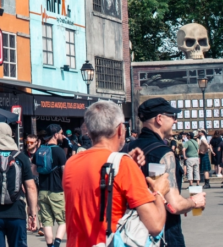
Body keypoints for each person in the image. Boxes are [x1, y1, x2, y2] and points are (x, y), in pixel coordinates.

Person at [64, 101, 169, 247]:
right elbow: (155, 225)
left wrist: (123, 162)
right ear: (120, 129)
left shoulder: (71, 163)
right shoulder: (124, 165)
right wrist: (159, 192)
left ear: (88, 130)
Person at [124, 97, 207, 247]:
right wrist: (194, 202)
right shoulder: (163, 153)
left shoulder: (127, 149)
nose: (175, 121)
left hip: (131, 232)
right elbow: (173, 204)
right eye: (173, 116)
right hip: (162, 234)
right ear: (159, 119)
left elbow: (156, 191)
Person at [37, 125, 67, 247]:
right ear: (55, 135)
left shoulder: (40, 150)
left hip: (42, 190)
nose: (62, 135)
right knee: (63, 221)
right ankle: (57, 243)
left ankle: (50, 245)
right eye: (61, 133)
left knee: (47, 221)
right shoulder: (59, 151)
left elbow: (34, 170)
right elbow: (65, 172)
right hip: (57, 190)